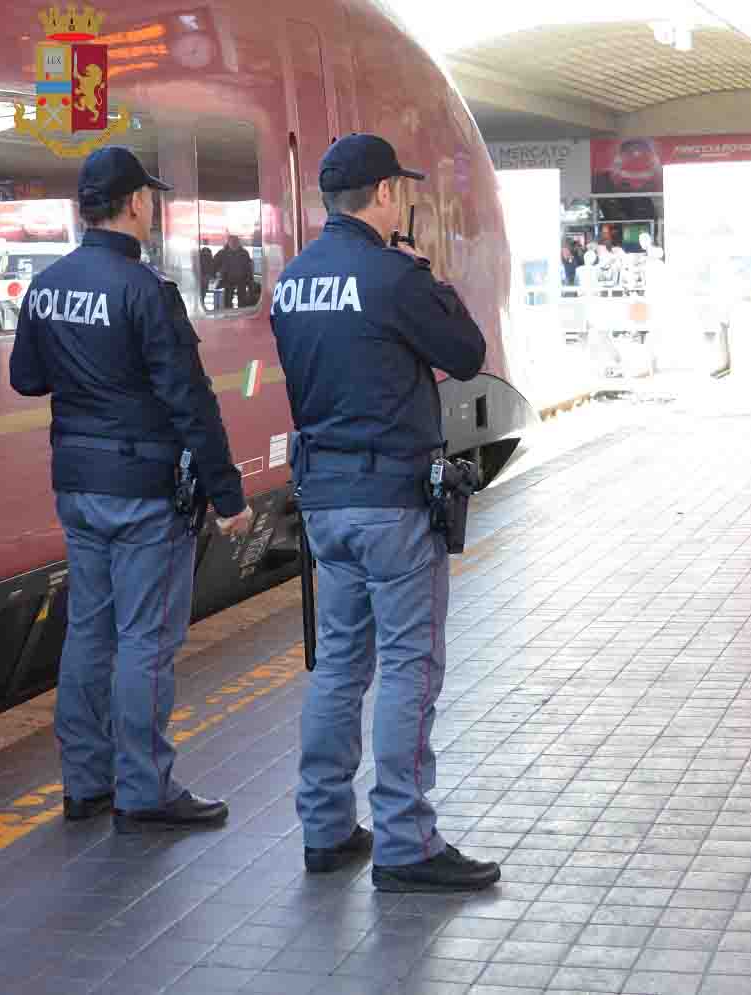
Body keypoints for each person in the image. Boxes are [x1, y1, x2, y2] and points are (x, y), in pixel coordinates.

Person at [270, 133, 500, 892]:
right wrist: (424, 275)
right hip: (392, 506)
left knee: (339, 666)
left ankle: (327, 827)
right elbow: (466, 352)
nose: (404, 196)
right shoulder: (395, 275)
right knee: (409, 664)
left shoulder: (293, 280)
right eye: (399, 187)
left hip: (324, 506)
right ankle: (405, 838)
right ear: (383, 195)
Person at [8, 147, 254, 833]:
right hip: (144, 492)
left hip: (78, 486)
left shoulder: (49, 285)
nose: (154, 206)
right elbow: (190, 400)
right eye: (150, 197)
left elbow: (27, 379)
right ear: (135, 204)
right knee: (145, 638)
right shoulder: (145, 291)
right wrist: (228, 494)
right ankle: (143, 789)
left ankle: (85, 782)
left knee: (89, 631)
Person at [212, 234, 253, 310]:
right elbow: (213, 264)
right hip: (227, 280)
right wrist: (215, 274)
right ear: (228, 242)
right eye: (232, 242)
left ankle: (242, 315)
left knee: (242, 302)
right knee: (227, 301)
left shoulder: (244, 253)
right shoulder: (222, 253)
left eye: (236, 242)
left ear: (238, 242)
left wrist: (250, 282)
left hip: (242, 280)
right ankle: (229, 316)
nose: (234, 243)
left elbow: (249, 268)